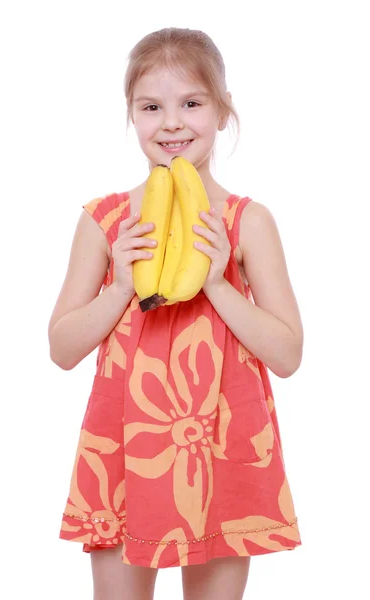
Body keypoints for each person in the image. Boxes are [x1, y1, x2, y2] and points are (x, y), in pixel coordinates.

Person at [49, 27, 304, 600]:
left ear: (222, 110)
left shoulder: (247, 222)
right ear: (131, 115)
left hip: (219, 447)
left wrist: (216, 282)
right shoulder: (106, 221)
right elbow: (61, 349)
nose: (171, 123)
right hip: (122, 448)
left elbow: (287, 354)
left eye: (192, 103)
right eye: (151, 107)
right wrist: (118, 286)